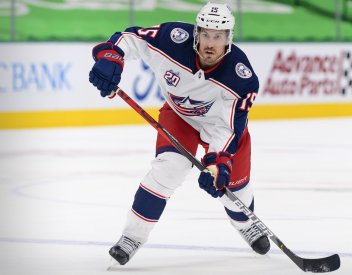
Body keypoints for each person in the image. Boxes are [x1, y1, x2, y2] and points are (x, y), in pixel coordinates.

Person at [88, 2, 270, 266]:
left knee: (234, 187)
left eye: (218, 37)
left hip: (219, 127)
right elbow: (130, 38)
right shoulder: (173, 39)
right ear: (196, 33)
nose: (210, 43)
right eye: (205, 34)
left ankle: (245, 224)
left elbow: (228, 128)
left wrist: (217, 164)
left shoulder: (242, 78)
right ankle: (131, 237)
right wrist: (111, 57)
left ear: (229, 38)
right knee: (167, 170)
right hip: (179, 116)